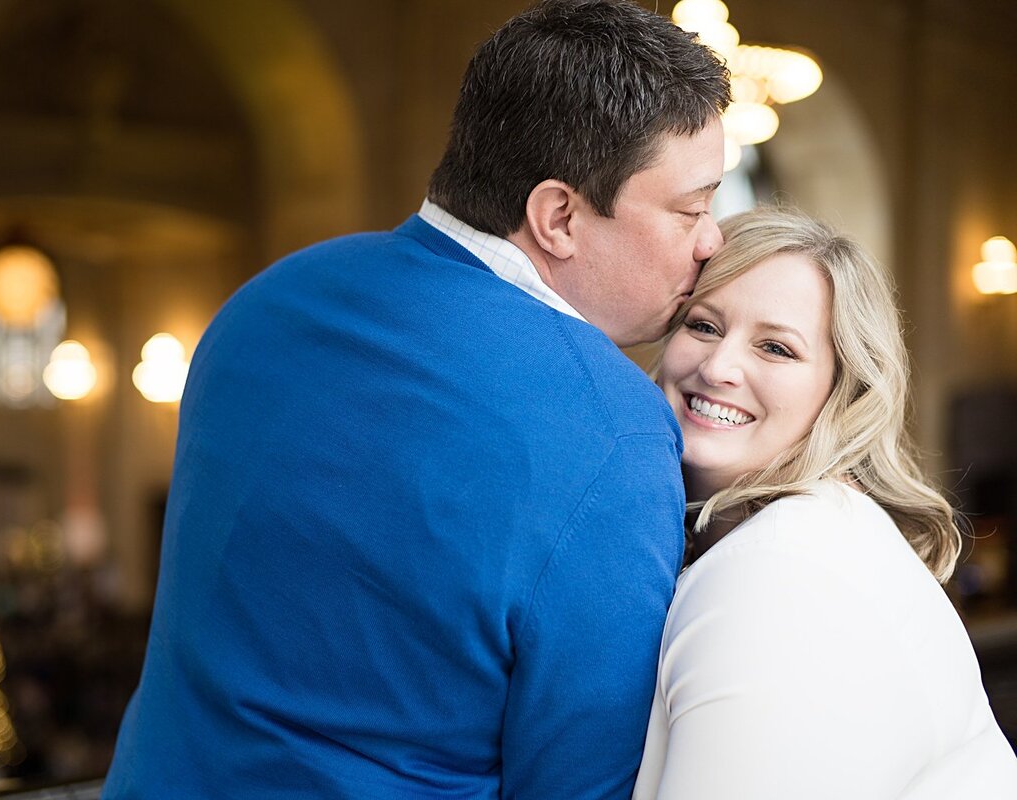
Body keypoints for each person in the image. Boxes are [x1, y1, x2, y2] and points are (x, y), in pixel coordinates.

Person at [101, 1, 728, 797]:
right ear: (559, 216)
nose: (711, 240)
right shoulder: (612, 430)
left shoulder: (266, 301)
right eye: (691, 209)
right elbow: (580, 782)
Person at [633, 206, 1017, 799]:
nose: (718, 366)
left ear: (844, 393)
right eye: (704, 326)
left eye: (776, 349)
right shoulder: (792, 536)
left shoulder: (779, 573)